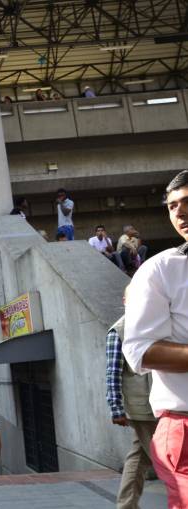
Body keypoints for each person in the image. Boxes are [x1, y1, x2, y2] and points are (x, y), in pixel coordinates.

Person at [123, 169, 188, 508]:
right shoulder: (161, 269)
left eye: (187, 202)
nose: (179, 212)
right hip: (183, 424)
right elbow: (139, 350)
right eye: (173, 205)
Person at [105, 315, 157, 509]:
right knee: (167, 461)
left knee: (139, 456)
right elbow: (112, 372)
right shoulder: (119, 330)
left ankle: (126, 505)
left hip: (156, 402)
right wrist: (116, 407)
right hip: (144, 408)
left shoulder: (152, 320)